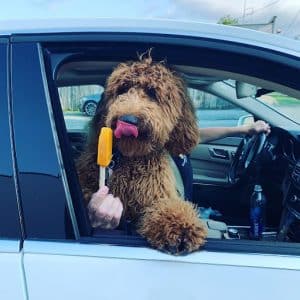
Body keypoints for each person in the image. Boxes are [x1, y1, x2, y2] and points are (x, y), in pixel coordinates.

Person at [87, 120, 271, 229]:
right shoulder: (143, 151)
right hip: (172, 222)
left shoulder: (172, 141)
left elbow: (200, 135)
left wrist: (245, 129)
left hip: (187, 209)